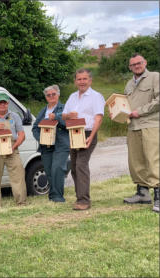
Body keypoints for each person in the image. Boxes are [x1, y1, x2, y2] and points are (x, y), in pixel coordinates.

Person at [62, 68, 105, 210]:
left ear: (90, 80)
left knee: (81, 165)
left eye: (84, 79)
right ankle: (79, 197)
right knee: (74, 166)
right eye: (79, 79)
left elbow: (99, 118)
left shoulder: (96, 96)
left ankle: (84, 201)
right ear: (75, 81)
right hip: (74, 133)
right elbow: (63, 115)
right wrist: (69, 116)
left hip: (87, 133)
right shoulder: (72, 97)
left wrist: (91, 137)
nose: (82, 82)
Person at [121, 54, 159, 213]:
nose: (137, 66)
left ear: (145, 63)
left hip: (150, 125)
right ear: (130, 67)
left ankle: (158, 196)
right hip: (133, 127)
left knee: (153, 159)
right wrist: (119, 113)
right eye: (133, 64)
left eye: (139, 63)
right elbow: (124, 105)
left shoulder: (155, 77)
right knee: (136, 161)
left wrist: (140, 112)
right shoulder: (129, 84)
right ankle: (143, 194)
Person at [32, 85, 70, 202]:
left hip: (61, 145)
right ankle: (52, 196)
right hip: (46, 146)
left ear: (58, 95)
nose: (51, 96)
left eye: (54, 94)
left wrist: (56, 117)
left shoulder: (64, 108)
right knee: (48, 171)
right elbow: (35, 127)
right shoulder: (43, 111)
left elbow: (68, 123)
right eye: (49, 95)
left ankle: (58, 197)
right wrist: (41, 139)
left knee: (57, 169)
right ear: (46, 97)